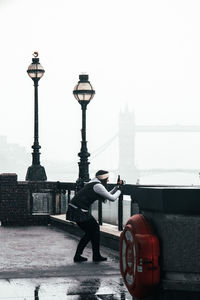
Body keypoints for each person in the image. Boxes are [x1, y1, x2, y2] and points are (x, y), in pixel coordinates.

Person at [66, 170, 121, 262]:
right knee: (93, 231)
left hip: (77, 209)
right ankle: (93, 256)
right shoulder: (98, 186)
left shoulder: (94, 183)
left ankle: (86, 255)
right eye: (107, 179)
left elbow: (106, 194)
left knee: (91, 232)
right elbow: (112, 198)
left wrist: (116, 188)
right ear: (103, 178)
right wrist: (120, 190)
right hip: (79, 211)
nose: (108, 181)